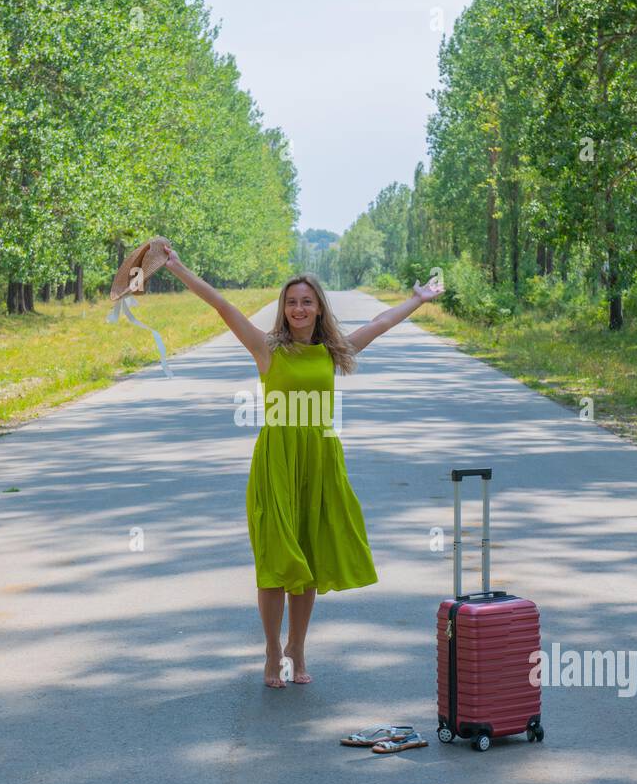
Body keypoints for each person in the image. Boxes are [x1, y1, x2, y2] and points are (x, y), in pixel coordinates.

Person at [162, 244, 444, 687]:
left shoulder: (334, 351)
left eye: (306, 301)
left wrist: (418, 299)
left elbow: (379, 323)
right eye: (291, 302)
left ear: (318, 309)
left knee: (308, 558)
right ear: (284, 309)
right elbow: (222, 305)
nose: (298, 308)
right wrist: (179, 268)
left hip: (320, 457)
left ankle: (298, 646)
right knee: (276, 560)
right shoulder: (266, 348)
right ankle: (273, 650)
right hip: (276, 459)